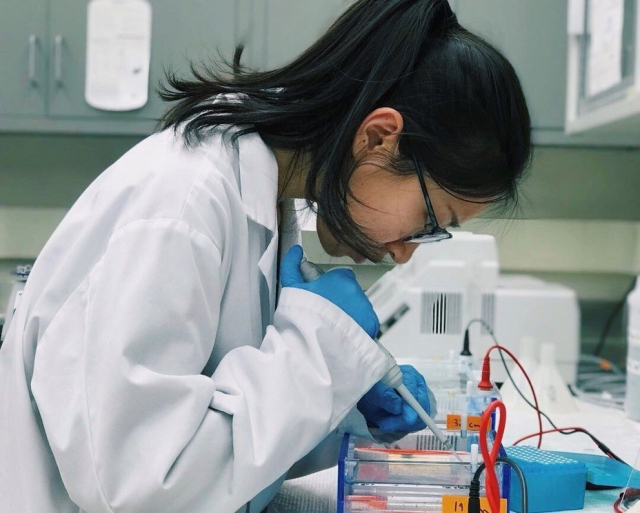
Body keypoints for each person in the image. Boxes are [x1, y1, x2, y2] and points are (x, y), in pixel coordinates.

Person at [0, 0, 531, 511]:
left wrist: (341, 410)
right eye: (430, 220)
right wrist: (315, 357)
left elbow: (219, 427)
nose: (405, 254)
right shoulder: (181, 205)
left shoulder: (263, 196)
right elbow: (134, 485)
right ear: (378, 138)